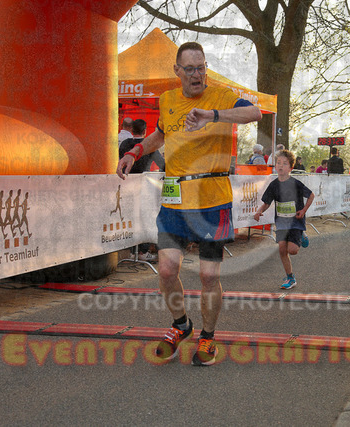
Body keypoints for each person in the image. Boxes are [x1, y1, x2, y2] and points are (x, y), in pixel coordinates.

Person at [117, 41, 262, 366]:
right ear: (177, 71)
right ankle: (181, 325)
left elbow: (254, 113)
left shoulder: (221, 96)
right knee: (167, 269)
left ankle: (207, 336)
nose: (197, 75)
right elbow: (160, 135)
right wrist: (134, 152)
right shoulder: (167, 99)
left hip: (212, 199)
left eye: (201, 68)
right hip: (175, 198)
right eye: (190, 69)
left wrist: (213, 115)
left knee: (209, 275)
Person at [254, 150, 315, 290]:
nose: (281, 166)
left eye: (285, 163)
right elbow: (267, 202)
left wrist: (303, 210)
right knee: (282, 249)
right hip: (281, 222)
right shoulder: (273, 185)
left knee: (292, 250)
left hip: (295, 221)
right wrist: (259, 211)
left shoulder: (296, 183)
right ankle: (290, 277)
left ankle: (301, 235)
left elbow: (311, 195)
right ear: (275, 166)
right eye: (278, 163)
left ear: (291, 168)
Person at [119, 119, 165, 261]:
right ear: (145, 131)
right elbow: (162, 165)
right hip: (145, 188)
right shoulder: (148, 146)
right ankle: (142, 252)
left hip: (126, 187)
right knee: (145, 219)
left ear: (132, 130)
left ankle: (132, 251)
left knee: (130, 218)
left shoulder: (124, 144)